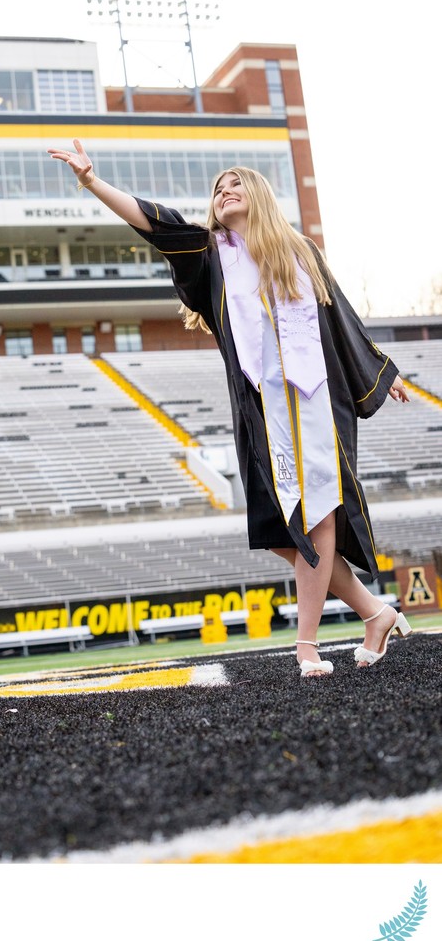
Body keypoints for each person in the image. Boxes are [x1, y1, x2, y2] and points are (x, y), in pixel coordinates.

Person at [48, 138, 413, 678]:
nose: (224, 191)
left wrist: (384, 369)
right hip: (260, 409)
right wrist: (91, 181)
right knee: (281, 532)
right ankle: (375, 613)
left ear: (258, 194)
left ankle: (307, 646)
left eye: (235, 183)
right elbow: (155, 223)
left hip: (315, 405)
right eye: (218, 189)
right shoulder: (211, 252)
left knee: (315, 518)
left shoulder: (301, 253)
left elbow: (341, 319)